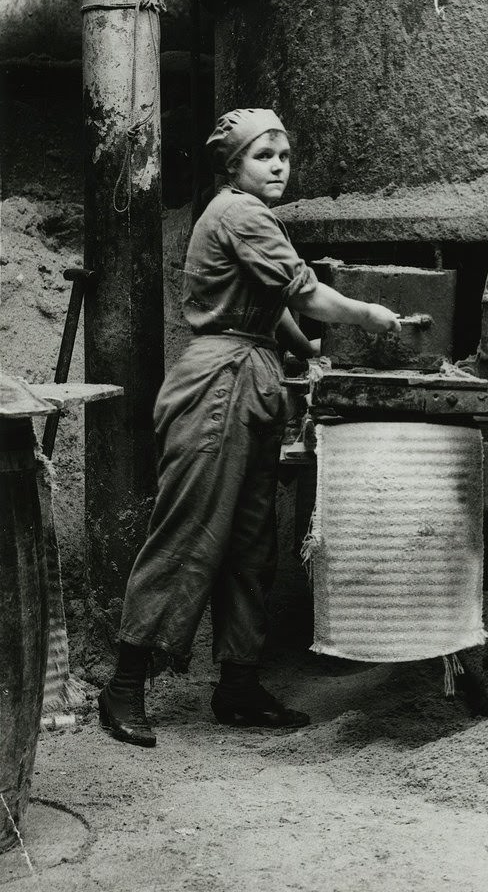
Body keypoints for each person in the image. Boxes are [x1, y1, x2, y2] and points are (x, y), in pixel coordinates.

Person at [98, 108, 401, 748]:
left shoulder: (250, 217)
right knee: (189, 532)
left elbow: (274, 312)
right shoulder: (240, 213)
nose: (279, 167)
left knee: (250, 544)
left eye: (285, 156)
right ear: (233, 165)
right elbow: (305, 293)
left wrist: (311, 353)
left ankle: (238, 686)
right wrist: (368, 315)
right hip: (219, 384)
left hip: (252, 376)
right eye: (264, 156)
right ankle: (123, 687)